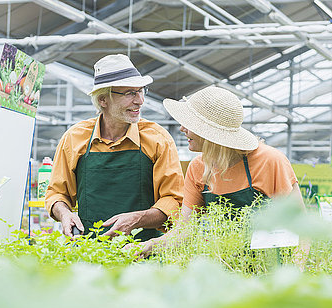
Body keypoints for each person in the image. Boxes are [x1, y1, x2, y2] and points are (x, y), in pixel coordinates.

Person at [131, 85, 307, 257]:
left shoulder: (269, 161)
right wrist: (149, 246)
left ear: (209, 133)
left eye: (189, 124)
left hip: (270, 270)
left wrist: (294, 275)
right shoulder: (198, 167)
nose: (182, 129)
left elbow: (303, 229)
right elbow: (184, 231)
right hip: (225, 267)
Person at [45, 54, 184, 240]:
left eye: (141, 91)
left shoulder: (157, 139)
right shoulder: (75, 138)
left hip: (142, 253)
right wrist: (64, 214)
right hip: (88, 253)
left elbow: (174, 200)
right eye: (129, 93)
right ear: (103, 100)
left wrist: (138, 218)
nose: (140, 100)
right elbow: (57, 193)